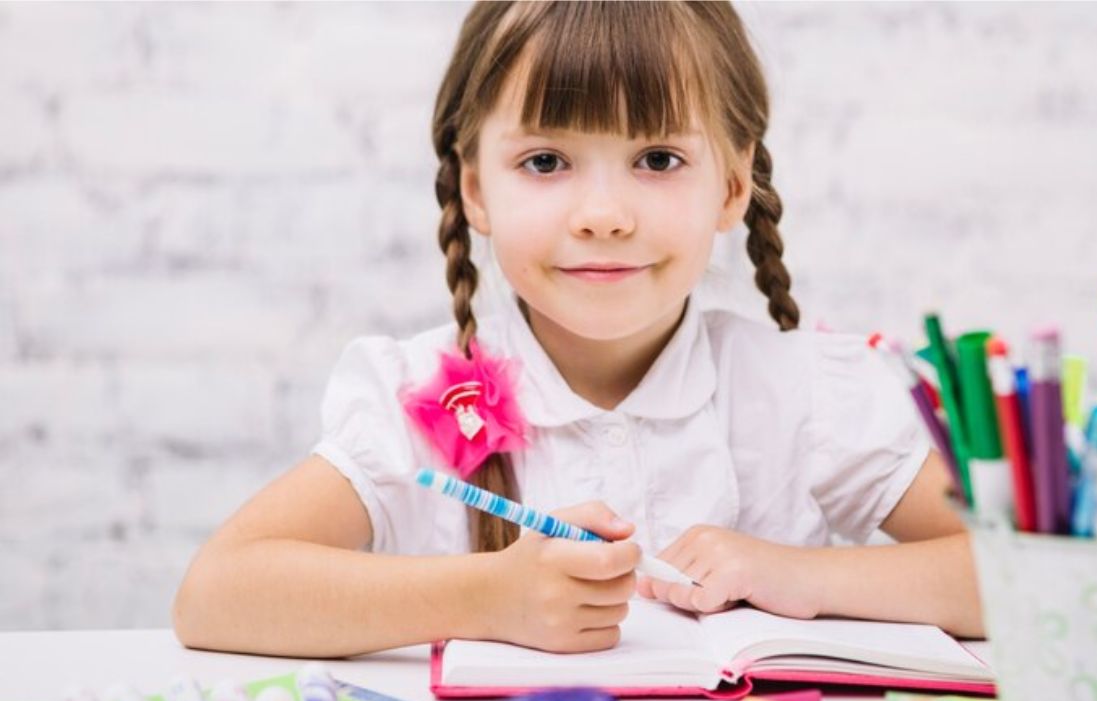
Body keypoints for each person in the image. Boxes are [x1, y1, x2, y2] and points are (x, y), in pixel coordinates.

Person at [173, 1, 983, 659]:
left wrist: (804, 575)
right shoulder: (417, 395)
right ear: (476, 191)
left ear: (733, 187)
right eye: (546, 162)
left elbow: (1022, 577)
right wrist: (488, 596)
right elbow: (218, 593)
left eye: (658, 159)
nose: (603, 216)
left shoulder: (804, 392)